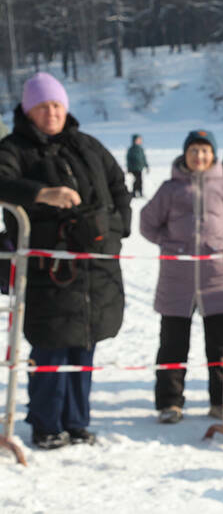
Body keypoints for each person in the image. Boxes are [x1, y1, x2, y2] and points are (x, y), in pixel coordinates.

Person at [0, 72, 131, 449]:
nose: (51, 112)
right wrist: (42, 193)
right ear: (29, 111)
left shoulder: (87, 145)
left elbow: (118, 183)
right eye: (42, 107)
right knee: (52, 344)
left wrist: (118, 227)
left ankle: (77, 421)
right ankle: (46, 423)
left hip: (95, 265)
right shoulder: (15, 148)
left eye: (56, 105)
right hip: (50, 268)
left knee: (85, 343)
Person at [140, 129, 223, 423]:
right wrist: (169, 244)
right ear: (185, 154)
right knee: (172, 344)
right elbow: (147, 223)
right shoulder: (170, 188)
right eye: (194, 150)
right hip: (176, 279)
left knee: (220, 345)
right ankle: (170, 403)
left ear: (213, 155)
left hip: (217, 279)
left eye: (205, 151)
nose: (199, 156)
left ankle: (222, 401)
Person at [126, 134, 148, 198]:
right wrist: (129, 168)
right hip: (133, 168)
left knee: (140, 180)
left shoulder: (140, 149)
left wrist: (146, 166)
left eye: (140, 140)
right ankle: (134, 192)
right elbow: (128, 159)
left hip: (140, 168)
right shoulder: (131, 149)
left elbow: (143, 158)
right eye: (138, 140)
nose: (140, 141)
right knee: (136, 180)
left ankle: (140, 192)